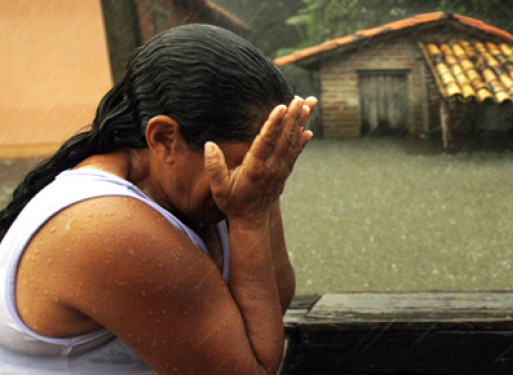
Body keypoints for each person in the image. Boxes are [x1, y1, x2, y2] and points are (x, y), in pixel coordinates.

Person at [0, 24, 314, 374]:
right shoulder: (110, 227)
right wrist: (252, 215)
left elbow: (272, 303)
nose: (255, 179)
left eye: (266, 163)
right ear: (165, 139)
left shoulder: (219, 193)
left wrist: (266, 192)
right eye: (247, 165)